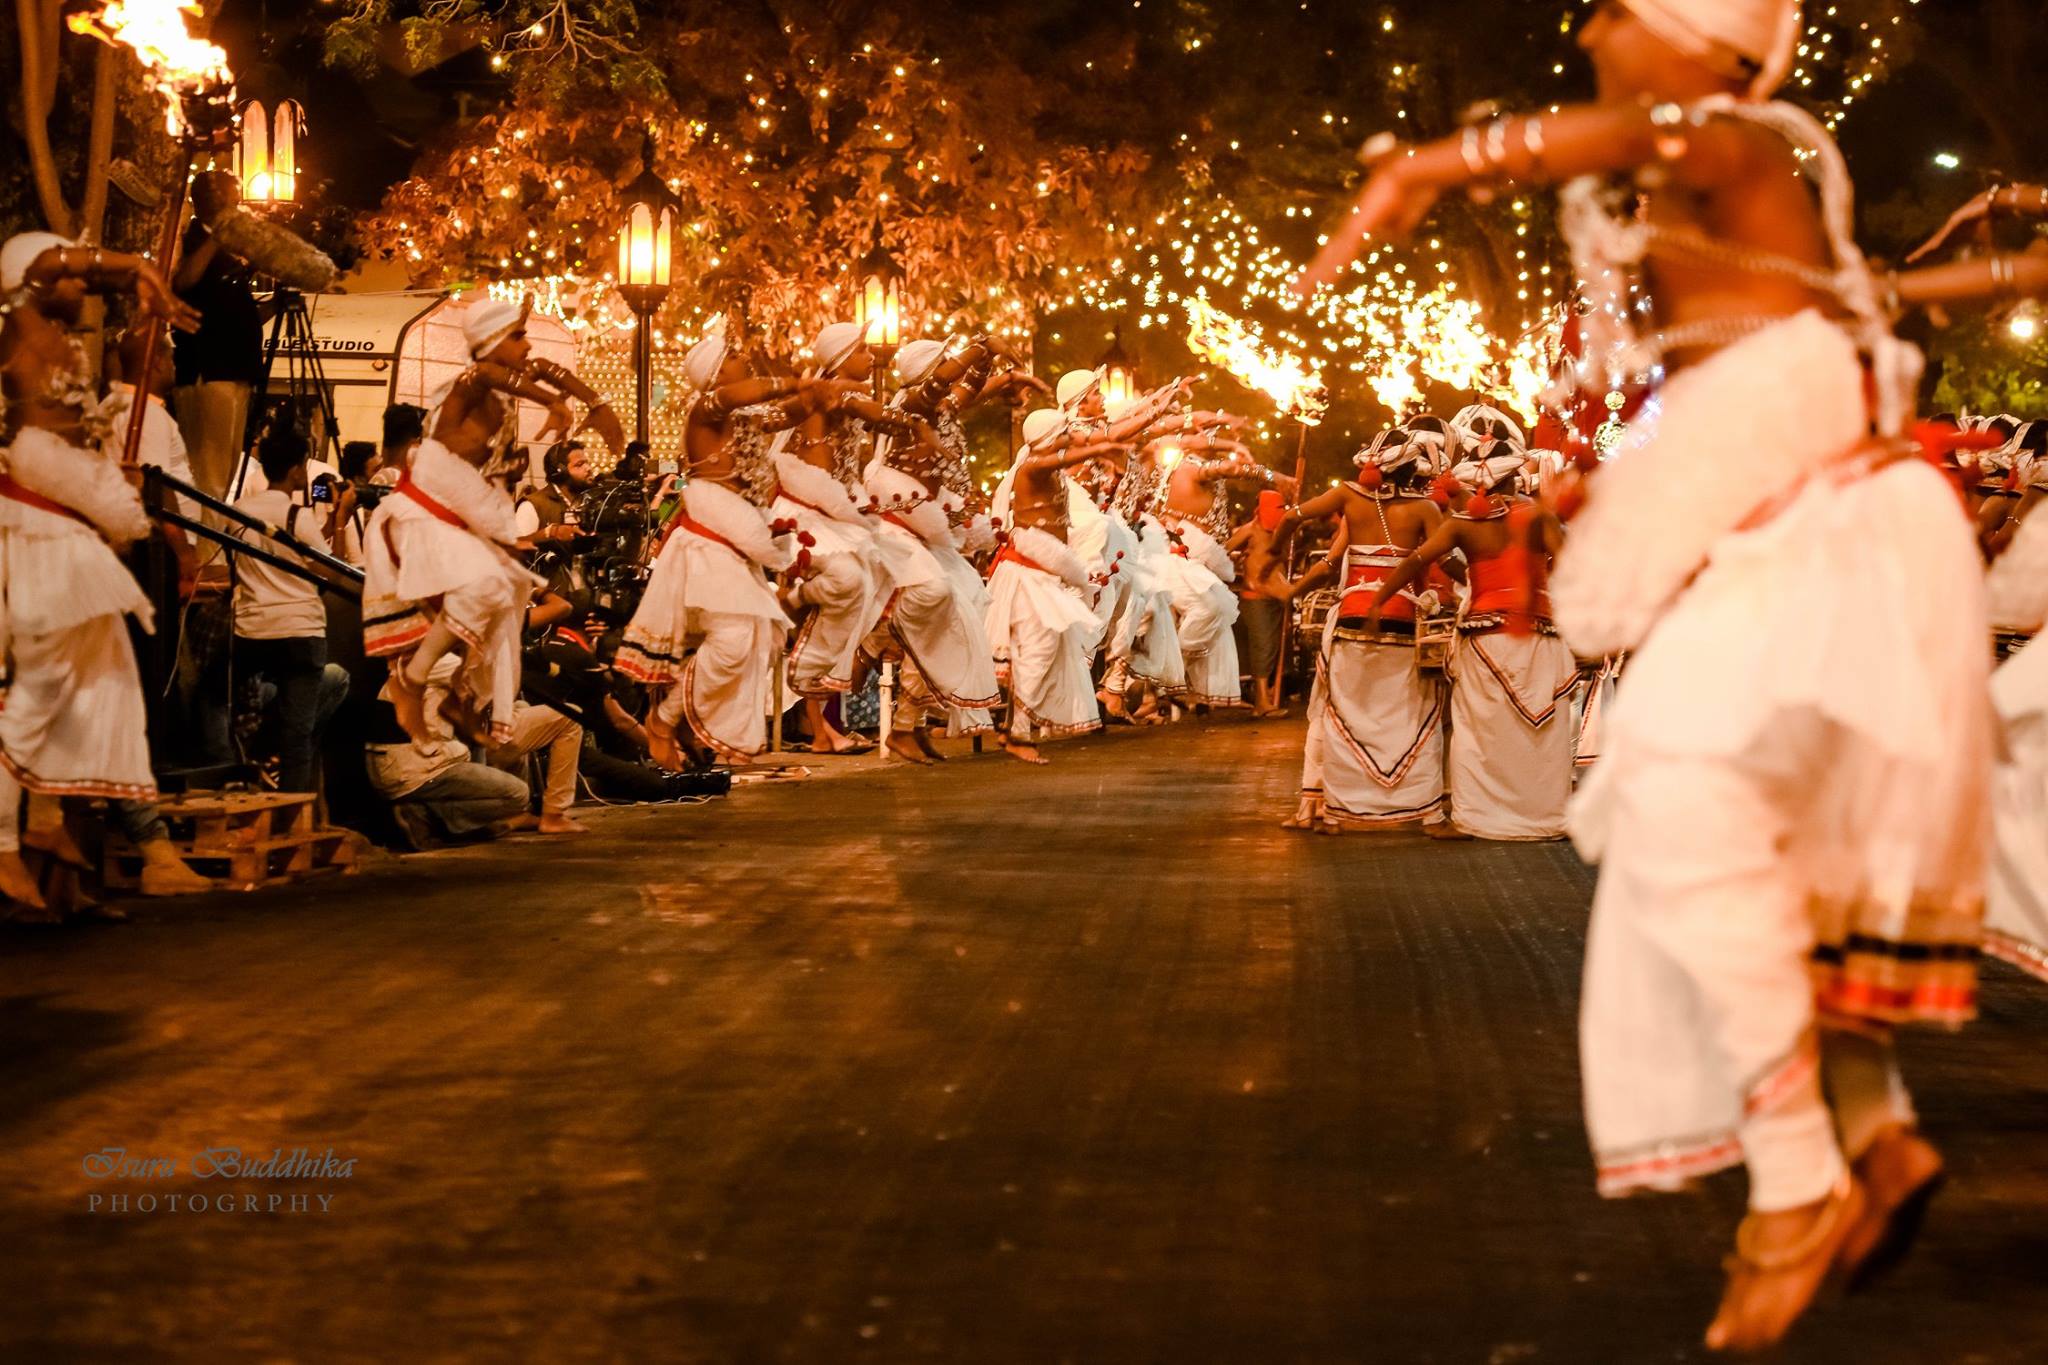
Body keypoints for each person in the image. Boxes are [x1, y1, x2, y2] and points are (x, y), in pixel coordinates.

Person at [1298, 1, 1992, 1351]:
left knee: (1673, 796)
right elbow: (1784, 343)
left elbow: (1630, 132)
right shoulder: (1720, 195)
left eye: (1614, 10)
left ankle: (1796, 1178)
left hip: (1831, 532)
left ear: (1695, 39)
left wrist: (1431, 165)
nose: (1594, 27)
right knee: (1744, 835)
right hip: (1822, 527)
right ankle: (1873, 1134)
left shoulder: (1722, 135)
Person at [0, 232, 211, 908]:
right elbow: (46, 263)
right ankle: (4, 841)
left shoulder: (64, 344)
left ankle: (48, 824)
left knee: (107, 678)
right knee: (42, 682)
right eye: (76, 279)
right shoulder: (16, 320)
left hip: (67, 524)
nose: (84, 290)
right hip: (34, 526)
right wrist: (133, 268)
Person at [362, 298, 623, 749]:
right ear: (489, 342)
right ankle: (413, 678)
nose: (528, 346)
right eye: (517, 336)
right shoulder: (468, 384)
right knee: (486, 587)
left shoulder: (503, 387)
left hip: (455, 521)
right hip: (421, 515)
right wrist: (551, 401)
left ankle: (461, 697)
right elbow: (486, 373)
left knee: (506, 606)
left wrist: (593, 402)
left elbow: (546, 368)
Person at [617, 317, 856, 769]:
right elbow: (739, 396)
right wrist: (793, 381)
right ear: (714, 373)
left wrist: (815, 397)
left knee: (765, 638)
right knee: (732, 640)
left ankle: (688, 721)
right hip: (707, 544)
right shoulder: (707, 408)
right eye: (732, 356)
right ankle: (663, 722)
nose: (743, 359)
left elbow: (784, 414)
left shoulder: (742, 417)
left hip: (734, 544)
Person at [1366, 451, 1575, 840]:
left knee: (1480, 731)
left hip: (1483, 638)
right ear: (1513, 483)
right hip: (1537, 633)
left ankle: (1480, 817)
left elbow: (1416, 560)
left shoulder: (1463, 524)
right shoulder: (1539, 517)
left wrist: (1380, 598)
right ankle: (1544, 816)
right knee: (1542, 729)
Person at [1274, 424, 1449, 832]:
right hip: (1403, 621)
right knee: (1412, 718)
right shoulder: (1427, 509)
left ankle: (1332, 809)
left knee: (1338, 716)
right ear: (1412, 472)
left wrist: (1286, 578)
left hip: (1350, 618)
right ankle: (1424, 809)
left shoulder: (1350, 500)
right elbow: (1436, 562)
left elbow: (1319, 550)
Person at [772, 321, 894, 754]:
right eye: (862, 349)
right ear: (842, 358)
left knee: (865, 594)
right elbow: (823, 474)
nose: (871, 356)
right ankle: (820, 729)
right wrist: (907, 418)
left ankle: (827, 723)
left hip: (834, 513)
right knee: (833, 606)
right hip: (808, 516)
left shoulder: (843, 395)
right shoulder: (831, 393)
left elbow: (842, 474)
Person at [983, 408, 1128, 763]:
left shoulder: (1051, 467)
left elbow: (1079, 444)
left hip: (1045, 573)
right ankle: (1018, 735)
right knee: (1038, 652)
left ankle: (1013, 729)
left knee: (1037, 654)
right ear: (1048, 438)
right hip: (1028, 574)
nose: (1070, 436)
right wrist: (1100, 448)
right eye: (1062, 433)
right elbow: (1071, 452)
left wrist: (1118, 431)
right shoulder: (1033, 465)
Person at [224, 427, 341, 792]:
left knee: (239, 712)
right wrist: (339, 516)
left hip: (251, 630)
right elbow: (326, 569)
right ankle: (291, 812)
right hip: (299, 630)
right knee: (298, 734)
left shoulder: (236, 513)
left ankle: (251, 775)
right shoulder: (297, 516)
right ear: (297, 469)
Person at [170, 171, 266, 499]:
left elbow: (230, 306)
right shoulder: (191, 239)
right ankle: (205, 545)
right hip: (210, 369)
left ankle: (212, 541)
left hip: (235, 369)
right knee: (209, 473)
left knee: (224, 472)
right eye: (233, 198)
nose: (238, 205)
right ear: (214, 201)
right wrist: (218, 236)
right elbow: (183, 282)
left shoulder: (227, 251)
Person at [1225, 490, 1295, 717]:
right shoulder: (1249, 530)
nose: (1280, 511)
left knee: (1273, 648)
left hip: (1277, 596)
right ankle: (1261, 703)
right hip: (1255, 597)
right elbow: (1222, 550)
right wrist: (1236, 558)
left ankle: (1267, 695)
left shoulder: (1281, 531)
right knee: (1262, 648)